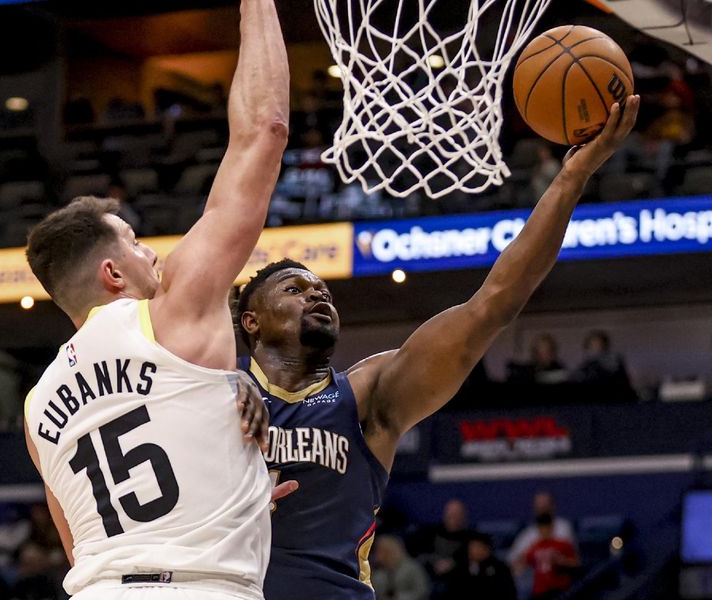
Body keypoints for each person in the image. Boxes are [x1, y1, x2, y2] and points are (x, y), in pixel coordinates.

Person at [235, 95, 640, 599]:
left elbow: (491, 305)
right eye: (295, 289)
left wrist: (571, 179)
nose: (317, 292)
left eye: (323, 289)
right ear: (252, 321)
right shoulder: (215, 390)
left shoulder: (367, 395)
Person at [22, 1, 290, 598]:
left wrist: (226, 504)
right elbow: (264, 131)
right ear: (113, 272)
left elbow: (83, 546)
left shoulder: (36, 409)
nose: (156, 258)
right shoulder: (170, 312)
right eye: (139, 245)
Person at [508, 491, 576, 576]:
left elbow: (572, 559)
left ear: (552, 507)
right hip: (533, 580)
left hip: (560, 578)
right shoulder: (528, 533)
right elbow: (513, 560)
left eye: (545, 507)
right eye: (539, 508)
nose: (542, 511)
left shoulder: (563, 527)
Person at [524, 514, 580, 600]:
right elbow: (524, 563)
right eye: (542, 527)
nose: (544, 531)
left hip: (558, 590)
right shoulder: (534, 547)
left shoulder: (563, 545)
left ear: (551, 527)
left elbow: (576, 564)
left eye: (547, 527)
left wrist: (562, 561)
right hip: (539, 591)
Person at [448, 532, 517, 600]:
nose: (471, 550)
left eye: (476, 546)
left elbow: (507, 593)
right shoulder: (461, 567)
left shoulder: (500, 568)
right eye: (470, 546)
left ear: (486, 549)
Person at [371, 535, 431, 600]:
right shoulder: (378, 571)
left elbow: (422, 591)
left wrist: (398, 597)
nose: (376, 554)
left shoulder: (411, 567)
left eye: (380, 551)